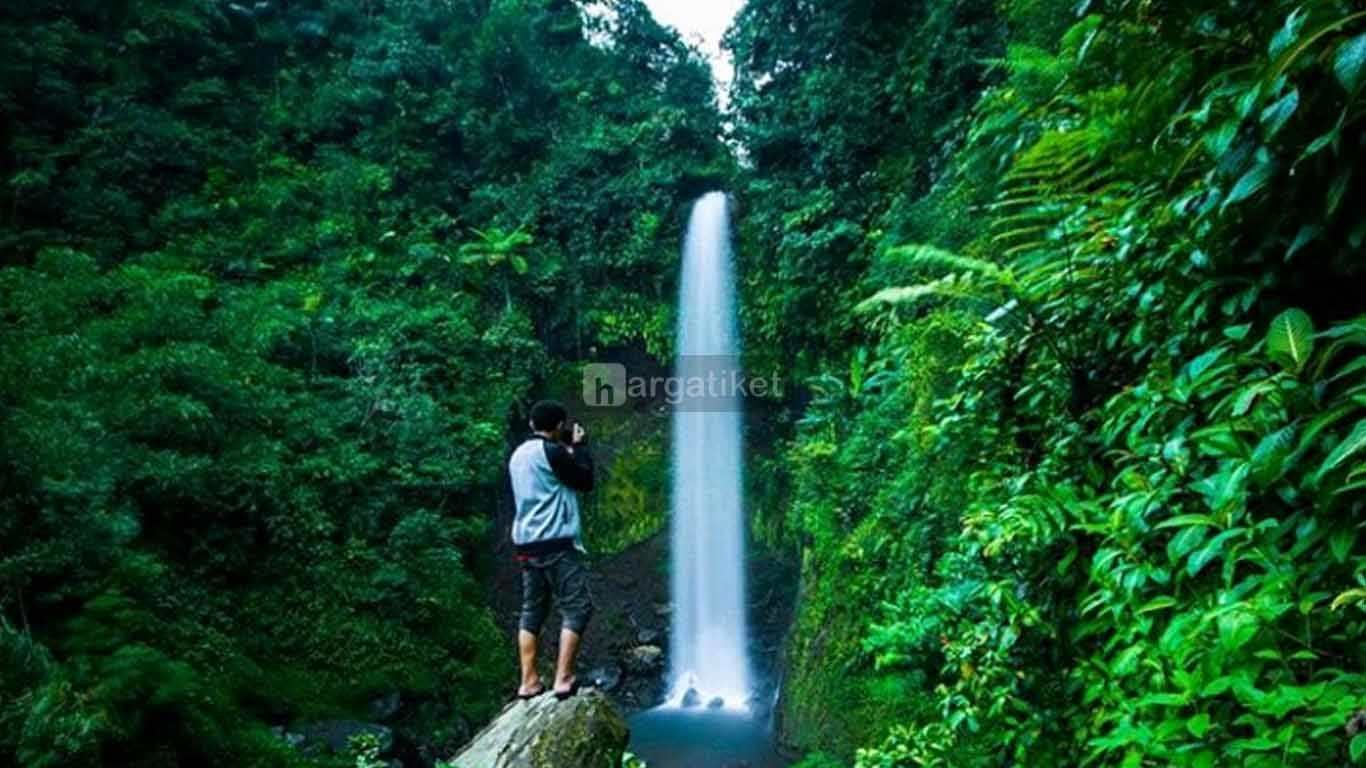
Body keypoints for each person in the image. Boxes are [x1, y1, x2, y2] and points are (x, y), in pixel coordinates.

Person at [507, 399, 594, 700]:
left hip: (526, 544)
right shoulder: (552, 451)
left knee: (532, 611)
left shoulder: (517, 455)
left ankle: (528, 681)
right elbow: (583, 480)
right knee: (577, 606)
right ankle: (564, 677)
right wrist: (580, 448)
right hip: (555, 541)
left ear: (532, 424)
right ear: (558, 426)